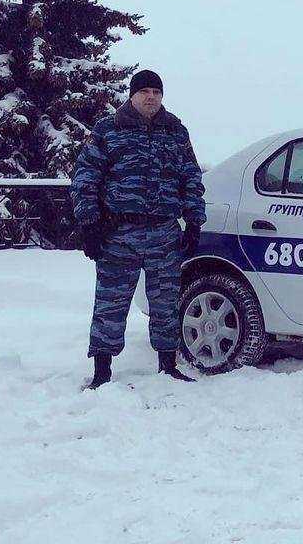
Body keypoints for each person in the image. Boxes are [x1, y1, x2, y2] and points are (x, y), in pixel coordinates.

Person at [70, 69, 205, 388]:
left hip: (163, 233)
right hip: (119, 233)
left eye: (156, 92)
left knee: (166, 302)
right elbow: (86, 176)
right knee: (110, 303)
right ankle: (102, 371)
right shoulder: (109, 129)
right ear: (132, 95)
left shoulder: (175, 131)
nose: (151, 97)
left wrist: (194, 221)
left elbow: (190, 177)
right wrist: (89, 223)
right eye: (144, 91)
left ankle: (168, 366)